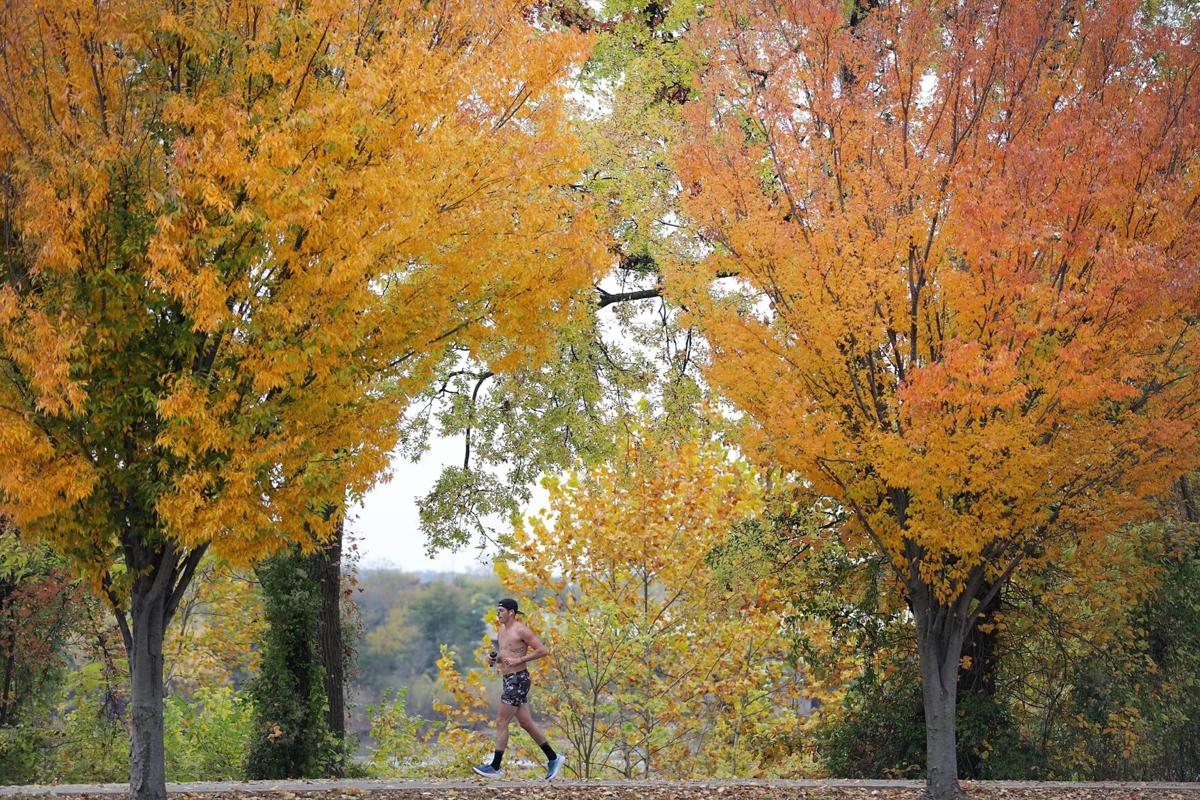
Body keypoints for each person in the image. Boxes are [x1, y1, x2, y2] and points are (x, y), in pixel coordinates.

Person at [472, 598, 565, 780]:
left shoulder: (521, 629)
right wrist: (494, 659)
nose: (498, 613)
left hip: (518, 680)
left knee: (501, 721)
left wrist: (519, 660)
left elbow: (542, 650)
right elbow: (505, 654)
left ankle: (495, 767)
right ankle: (554, 758)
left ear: (511, 612)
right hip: (508, 679)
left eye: (501, 610)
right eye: (497, 610)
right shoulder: (501, 631)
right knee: (526, 723)